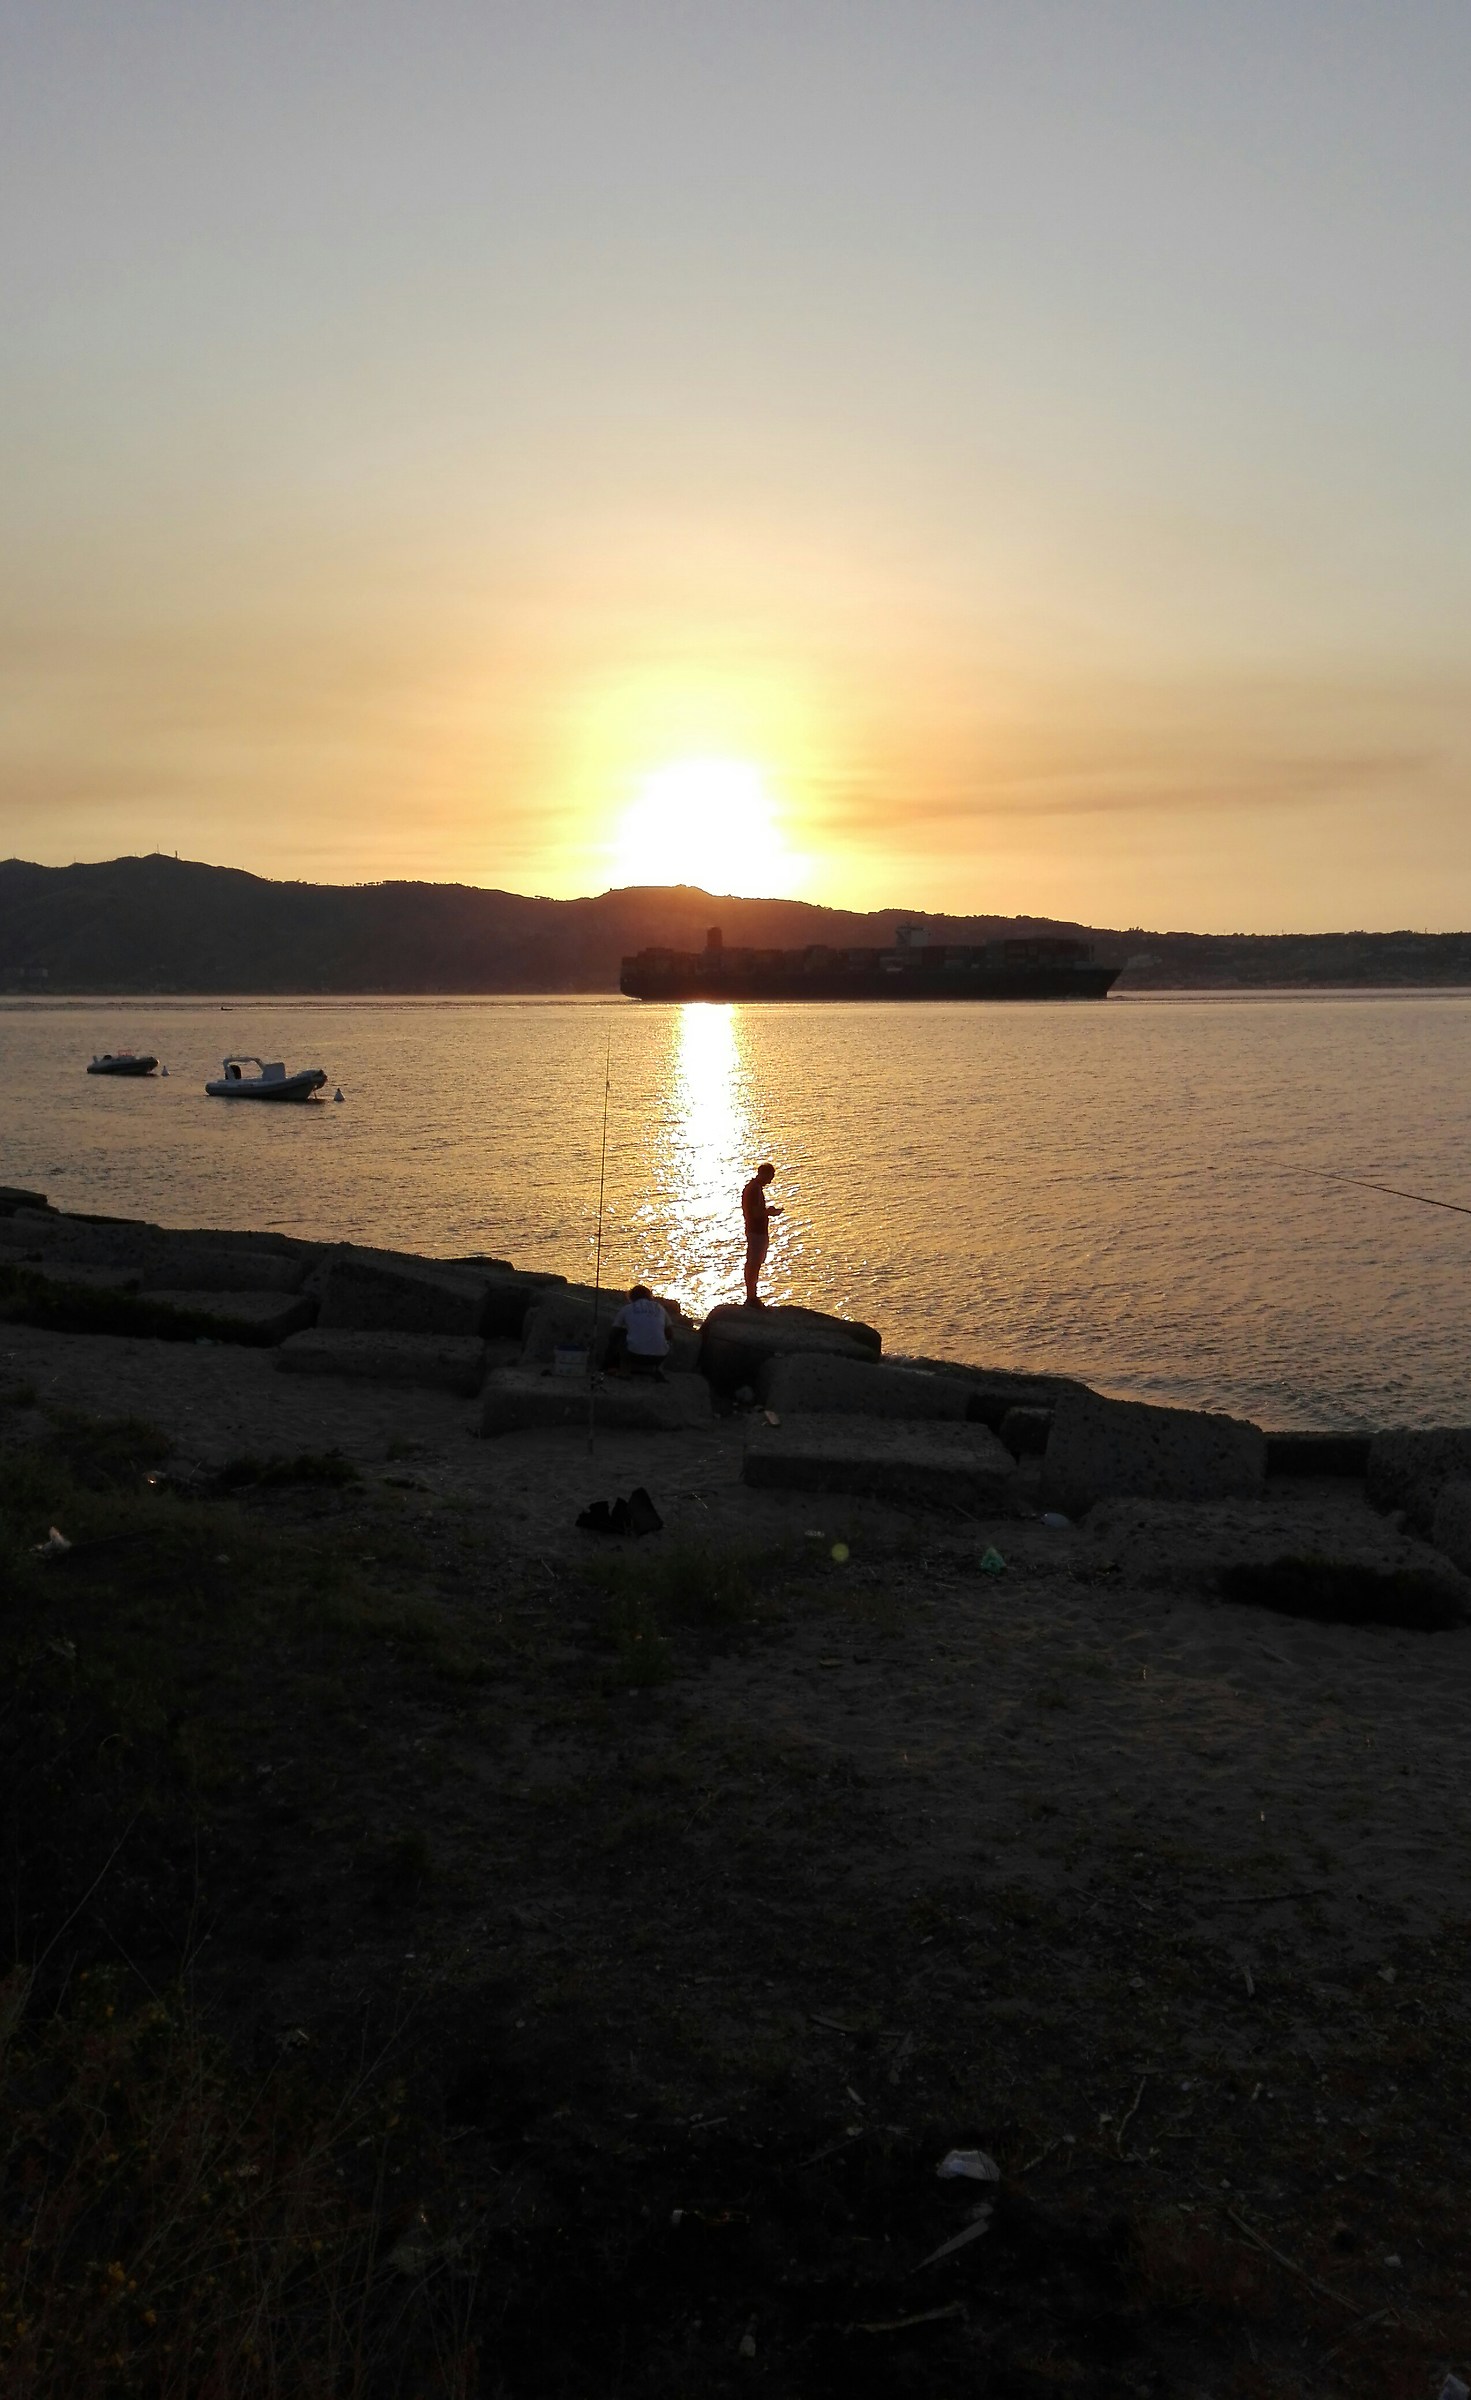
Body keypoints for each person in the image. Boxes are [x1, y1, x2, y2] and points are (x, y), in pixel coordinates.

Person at [606, 1283, 672, 1379]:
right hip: (660, 1357)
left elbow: (613, 1333)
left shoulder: (627, 1309)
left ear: (631, 1296)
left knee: (621, 1333)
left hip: (634, 1355)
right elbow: (670, 1333)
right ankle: (658, 1369)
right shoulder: (659, 1308)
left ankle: (624, 1370)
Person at [741, 1162, 782, 1307]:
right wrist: (769, 1212)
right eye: (770, 1176)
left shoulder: (753, 1188)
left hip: (755, 1231)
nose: (771, 1180)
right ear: (763, 1174)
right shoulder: (754, 1189)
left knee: (754, 1263)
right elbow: (754, 1213)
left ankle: (752, 1295)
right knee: (754, 1263)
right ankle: (751, 1297)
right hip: (756, 1231)